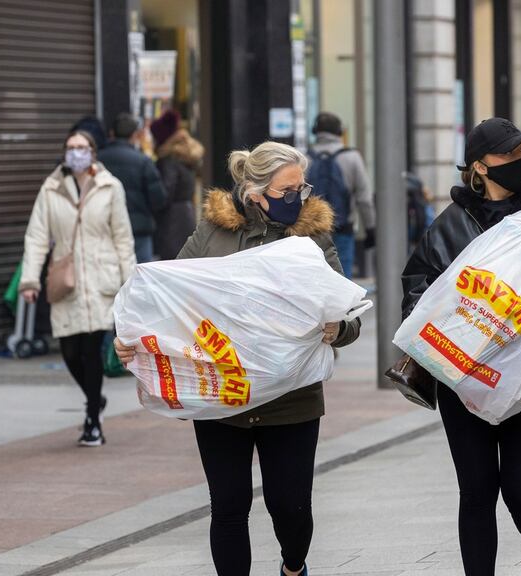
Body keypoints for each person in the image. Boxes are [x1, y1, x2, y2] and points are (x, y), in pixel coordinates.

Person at [115, 141, 361, 576]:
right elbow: (172, 300)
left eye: (301, 189)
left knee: (290, 506)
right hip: (223, 395)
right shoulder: (213, 232)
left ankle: (293, 566)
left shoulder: (312, 236)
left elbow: (348, 311)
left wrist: (338, 328)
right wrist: (134, 340)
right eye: (287, 190)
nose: (297, 198)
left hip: (291, 399)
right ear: (255, 191)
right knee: (228, 506)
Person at [401, 117, 521, 576]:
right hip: (464, 380)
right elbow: (418, 288)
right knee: (476, 491)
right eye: (507, 154)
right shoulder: (449, 226)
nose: (518, 160)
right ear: (478, 167)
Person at [19, 130, 136, 446]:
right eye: (71, 148)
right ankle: (94, 399)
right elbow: (37, 237)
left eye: (82, 147)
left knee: (90, 348)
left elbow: (123, 237)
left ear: (93, 152)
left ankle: (92, 421)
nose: (76, 153)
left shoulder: (111, 187)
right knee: (69, 351)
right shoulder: (50, 189)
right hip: (66, 279)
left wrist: (131, 282)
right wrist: (29, 281)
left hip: (102, 277)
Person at [307, 112, 375, 279]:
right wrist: (370, 228)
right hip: (343, 227)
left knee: (317, 277)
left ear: (315, 131)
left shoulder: (305, 158)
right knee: (343, 277)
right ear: (339, 132)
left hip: (313, 230)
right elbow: (364, 199)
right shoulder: (352, 157)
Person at [97, 113, 166, 263]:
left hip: (105, 228)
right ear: (135, 135)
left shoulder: (97, 160)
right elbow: (158, 199)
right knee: (140, 279)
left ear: (112, 134)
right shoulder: (144, 162)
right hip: (138, 231)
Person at [151, 109, 205, 260]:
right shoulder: (185, 157)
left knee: (170, 264)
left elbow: (166, 192)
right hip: (186, 215)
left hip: (171, 222)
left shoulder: (169, 160)